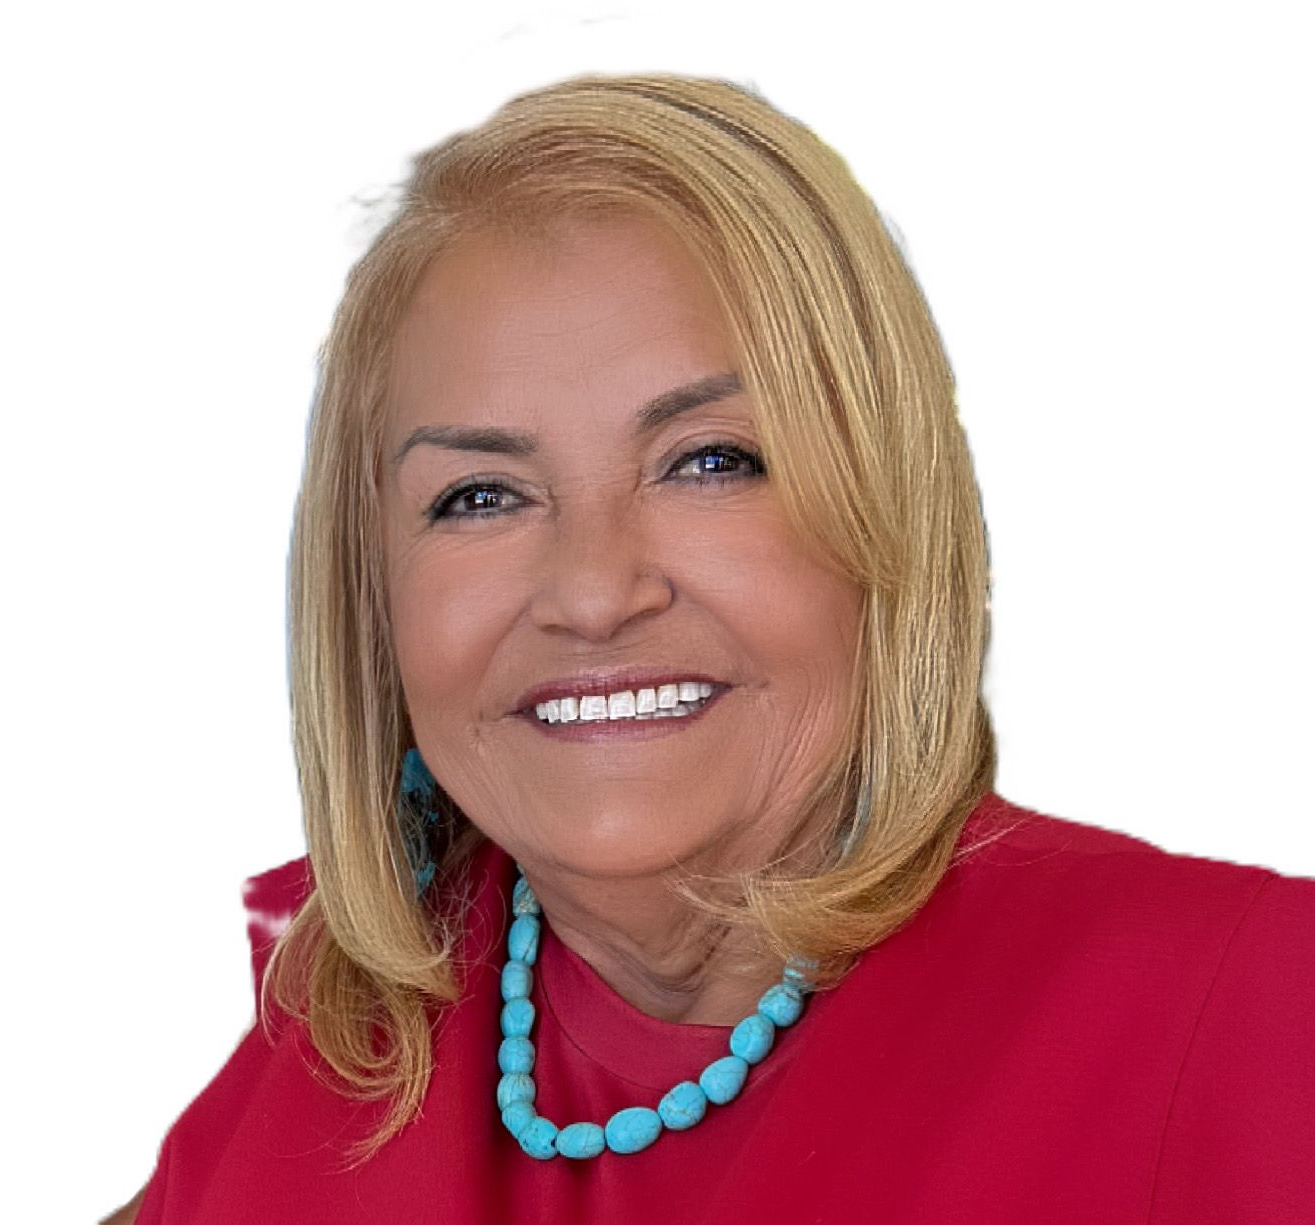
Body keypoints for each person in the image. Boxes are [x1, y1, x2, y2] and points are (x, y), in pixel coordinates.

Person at [107, 73, 1315, 1224]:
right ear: (367, 591)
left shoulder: (1243, 1011)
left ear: (885, 510)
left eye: (709, 461)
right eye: (479, 494)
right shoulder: (331, 1047)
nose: (591, 592)